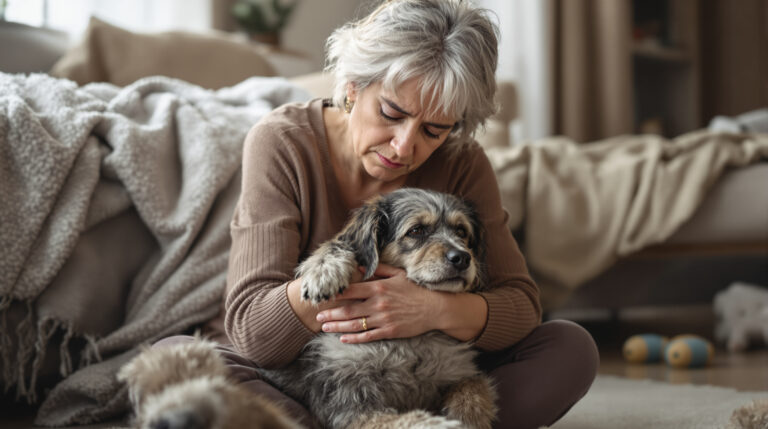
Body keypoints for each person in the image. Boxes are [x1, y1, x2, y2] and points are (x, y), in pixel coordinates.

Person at [158, 1, 598, 428]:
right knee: (179, 366)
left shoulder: (463, 161)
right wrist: (353, 283)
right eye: (391, 113)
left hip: (430, 368)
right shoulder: (282, 142)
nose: (405, 146)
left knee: (570, 349)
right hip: (302, 376)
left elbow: (521, 305)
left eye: (434, 130)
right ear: (352, 87)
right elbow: (254, 333)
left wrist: (430, 309)